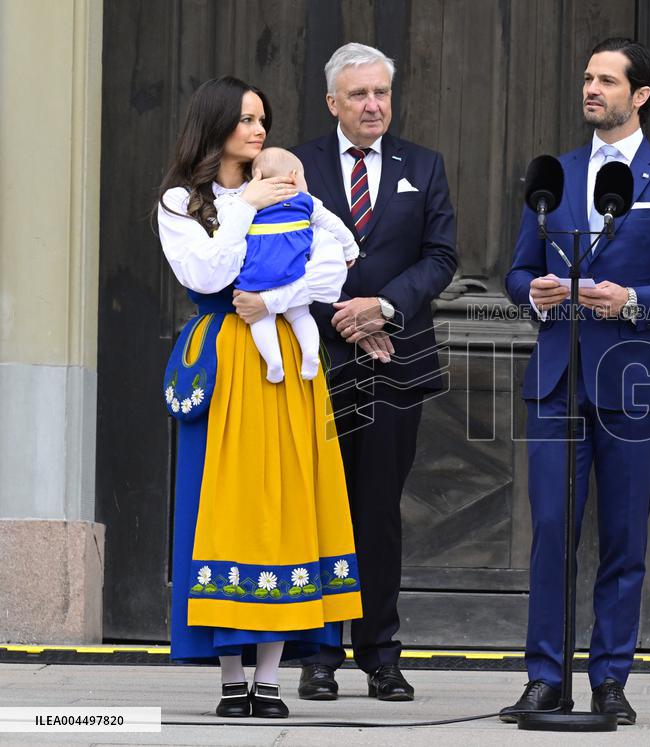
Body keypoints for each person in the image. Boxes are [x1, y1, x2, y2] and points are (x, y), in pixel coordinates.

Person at [502, 38, 650, 725]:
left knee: (624, 535)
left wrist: (630, 299)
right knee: (549, 532)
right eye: (587, 78)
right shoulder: (552, 175)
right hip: (557, 379)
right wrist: (533, 294)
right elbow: (514, 271)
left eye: (605, 79)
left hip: (634, 382)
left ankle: (609, 680)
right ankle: (543, 678)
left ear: (640, 94)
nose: (591, 88)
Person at [156, 76, 362, 719]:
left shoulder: (294, 186)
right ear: (214, 124)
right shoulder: (179, 202)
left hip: (286, 364)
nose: (258, 131)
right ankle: (228, 681)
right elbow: (207, 273)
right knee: (225, 508)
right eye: (245, 119)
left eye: (261, 120)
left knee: (285, 505)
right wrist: (245, 203)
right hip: (224, 363)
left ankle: (270, 679)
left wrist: (275, 298)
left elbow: (333, 266)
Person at [293, 42, 457, 702]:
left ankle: (381, 651)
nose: (372, 105)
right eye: (359, 94)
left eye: (381, 93)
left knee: (377, 510)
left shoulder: (424, 165)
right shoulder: (295, 165)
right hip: (316, 360)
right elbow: (272, 249)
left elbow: (442, 256)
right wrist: (343, 313)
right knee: (319, 507)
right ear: (333, 102)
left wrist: (384, 307)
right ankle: (319, 652)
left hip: (397, 361)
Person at [232, 146, 359, 383]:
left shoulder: (250, 203)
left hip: (258, 276)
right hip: (294, 272)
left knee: (260, 319)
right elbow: (335, 225)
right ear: (293, 176)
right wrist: (350, 250)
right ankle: (310, 354)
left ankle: (273, 362)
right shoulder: (307, 202)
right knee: (300, 315)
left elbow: (228, 218)